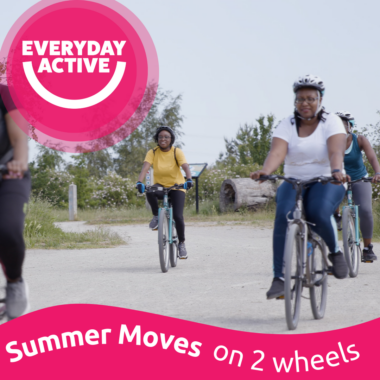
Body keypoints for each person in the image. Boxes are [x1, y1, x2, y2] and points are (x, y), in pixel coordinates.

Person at [250, 74, 348, 299]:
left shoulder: (331, 121)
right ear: (295, 101)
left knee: (318, 212)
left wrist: (336, 171)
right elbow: (277, 152)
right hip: (294, 180)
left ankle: (335, 252)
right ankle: (279, 278)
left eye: (310, 98)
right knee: (283, 215)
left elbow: (335, 151)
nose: (305, 103)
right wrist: (266, 170)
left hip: (327, 179)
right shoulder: (287, 124)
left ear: (319, 100)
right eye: (300, 99)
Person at [136, 126, 193, 259]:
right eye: (160, 137)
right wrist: (139, 181)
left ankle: (182, 244)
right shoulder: (153, 152)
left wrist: (189, 179)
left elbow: (185, 166)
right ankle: (156, 215)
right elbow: (145, 167)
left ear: (171, 139)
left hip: (177, 187)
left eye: (166, 137)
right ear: (157, 139)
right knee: (149, 190)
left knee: (178, 216)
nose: (163, 139)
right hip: (160, 186)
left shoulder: (176, 152)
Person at [0, 83, 31, 319]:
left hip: (8, 173)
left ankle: (14, 280)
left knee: (8, 230)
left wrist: (19, 161)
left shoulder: (5, 93)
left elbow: (18, 138)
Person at [335, 111, 380, 261]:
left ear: (349, 127)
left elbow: (372, 157)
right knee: (328, 206)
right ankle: (337, 218)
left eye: (342, 125)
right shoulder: (331, 142)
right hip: (339, 180)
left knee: (366, 210)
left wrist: (377, 172)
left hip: (360, 179)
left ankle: (367, 249)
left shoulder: (359, 140)